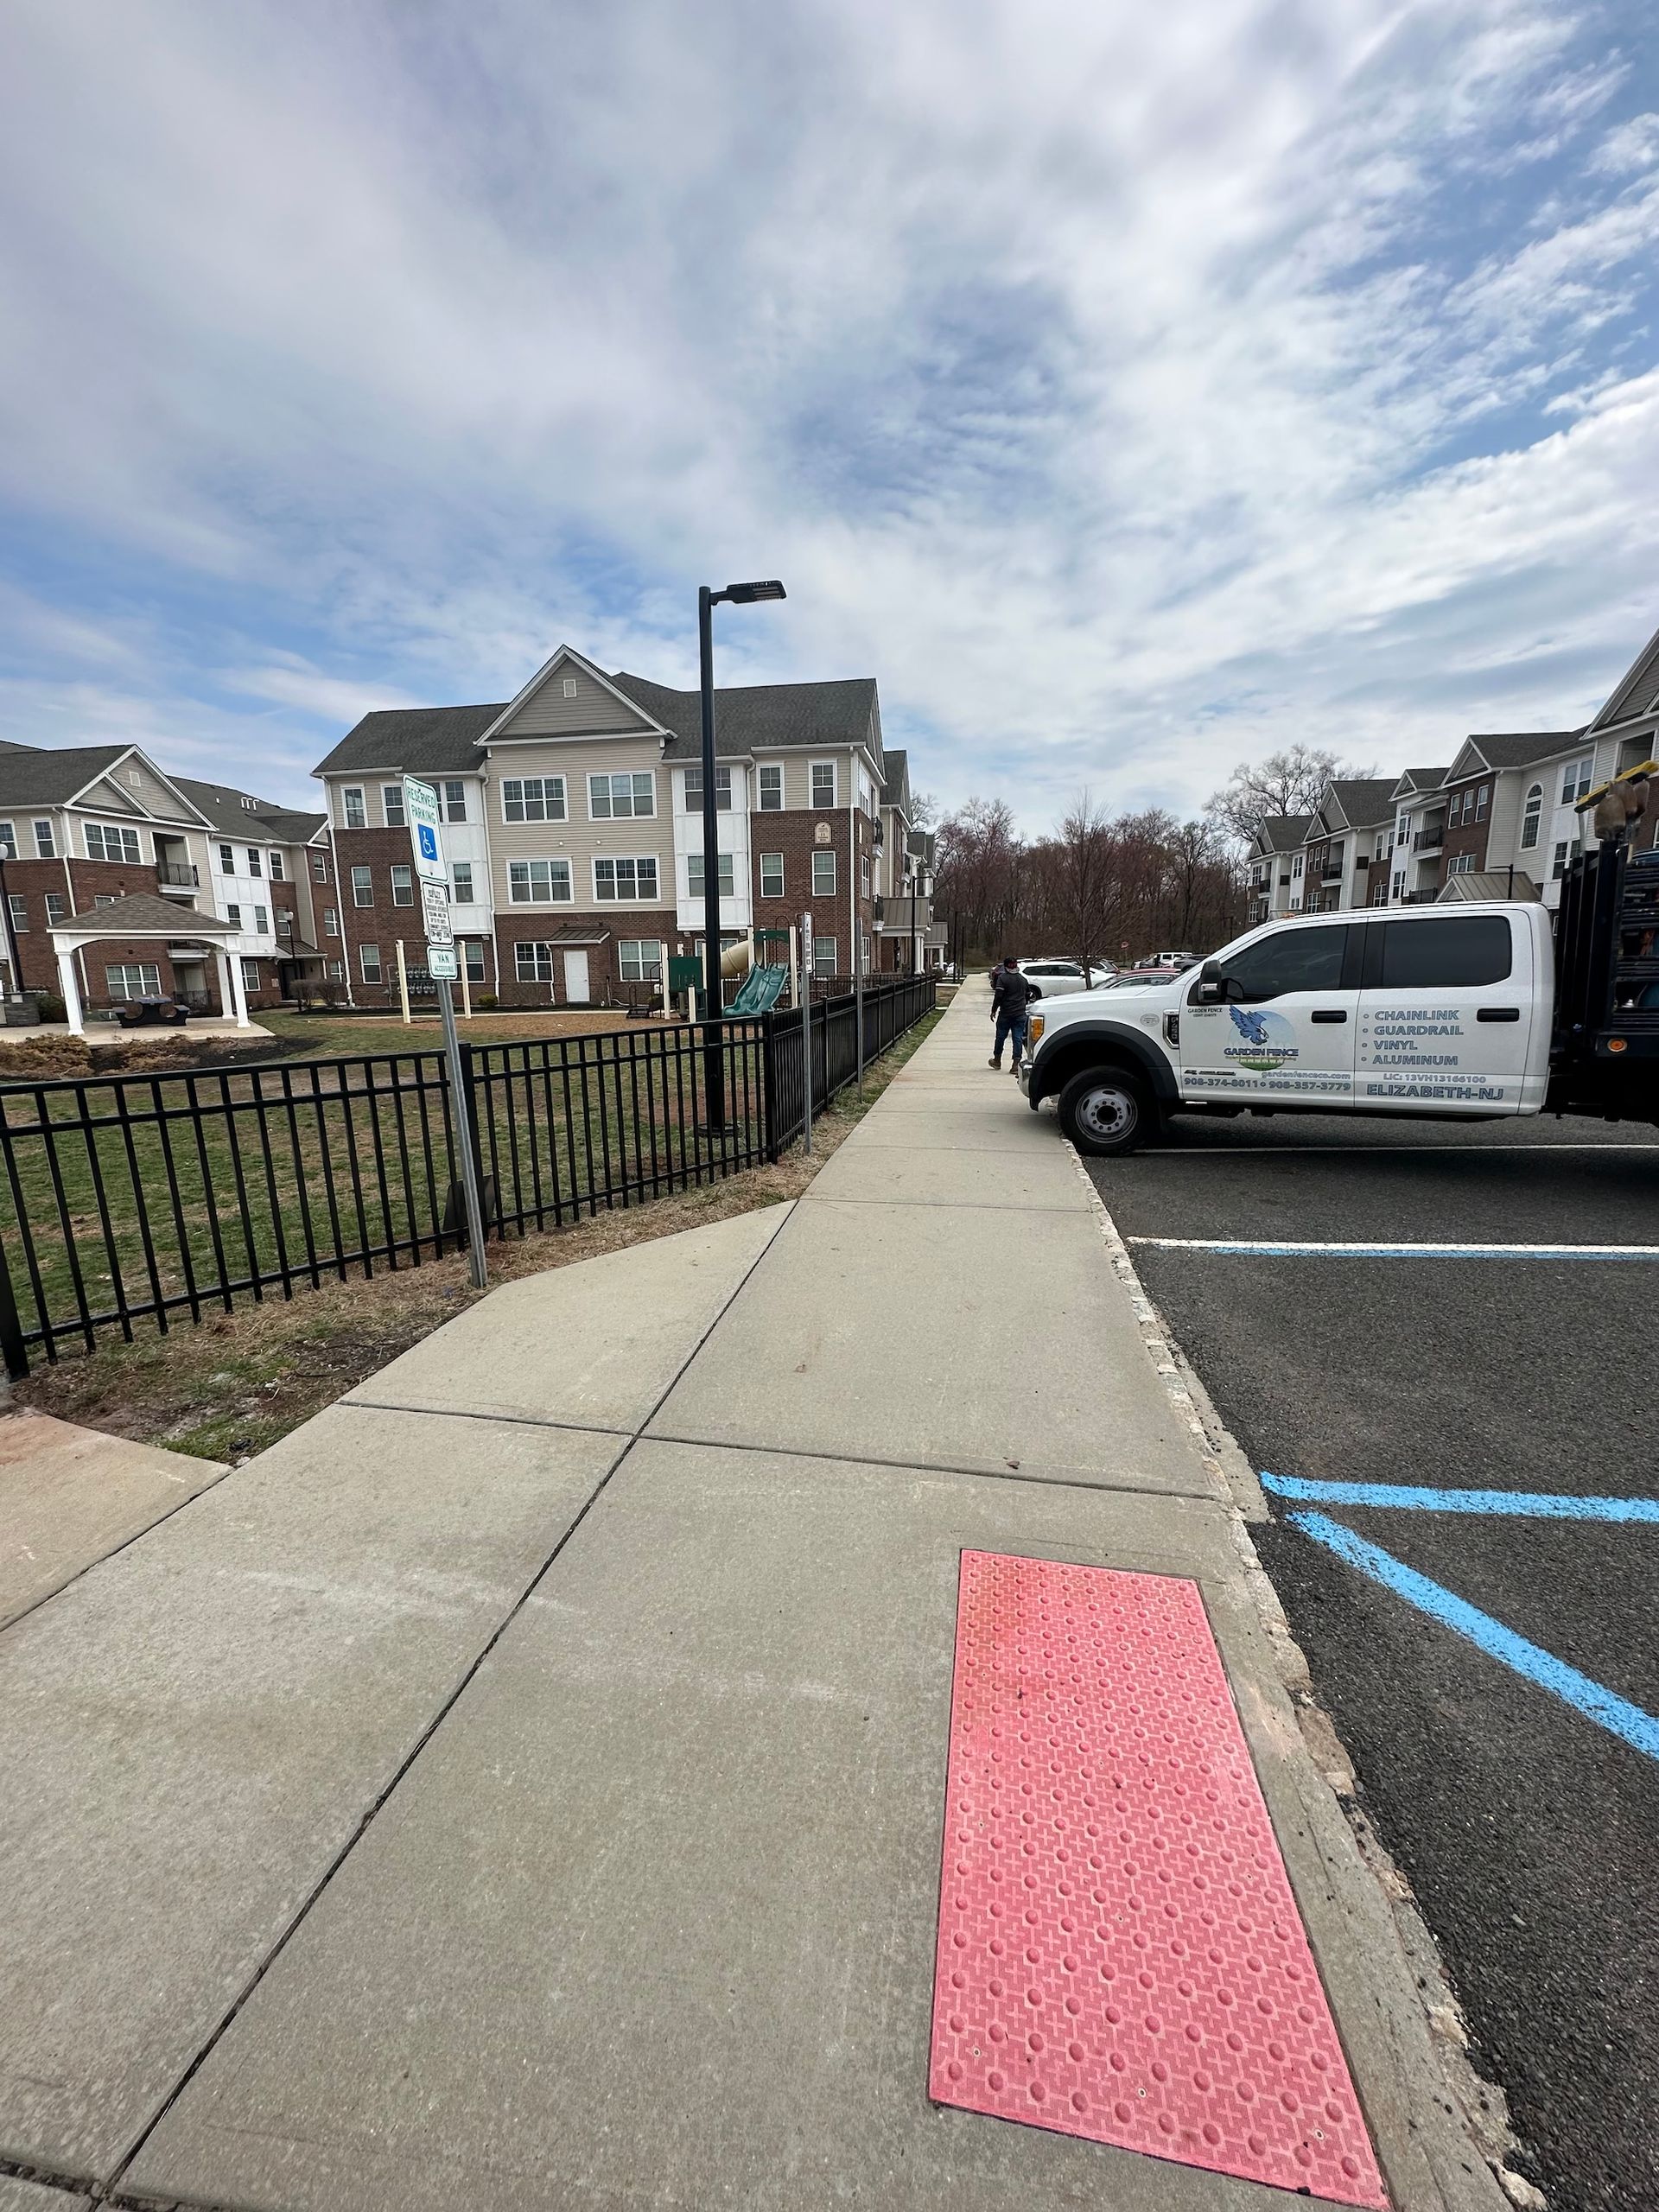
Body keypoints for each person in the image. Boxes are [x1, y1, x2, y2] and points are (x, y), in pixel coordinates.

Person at [988, 955, 1036, 1072]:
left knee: (1000, 1037)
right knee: (1018, 1038)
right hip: (1020, 1014)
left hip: (1006, 1013)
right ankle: (1016, 1063)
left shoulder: (1003, 979)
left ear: (1005, 967)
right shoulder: (1023, 979)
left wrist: (994, 1009)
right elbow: (1027, 995)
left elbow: (999, 996)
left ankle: (997, 1059)